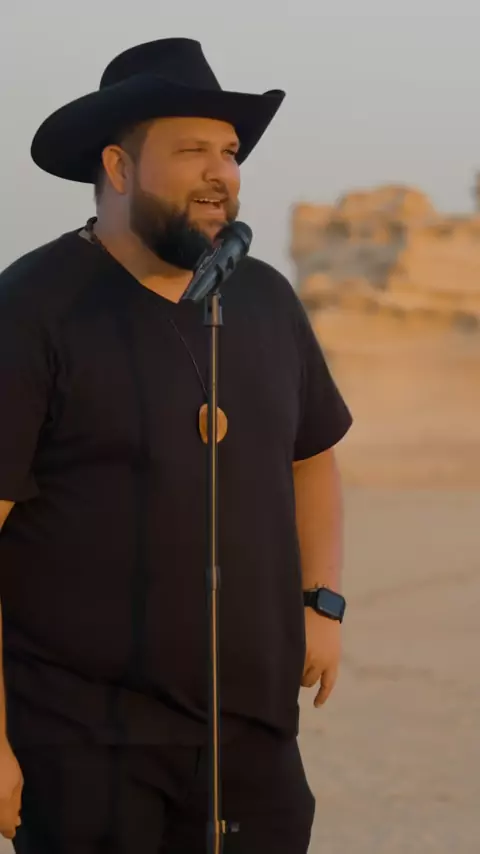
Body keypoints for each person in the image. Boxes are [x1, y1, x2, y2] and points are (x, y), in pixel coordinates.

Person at [0, 38, 352, 853]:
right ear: (118, 167)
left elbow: (312, 457)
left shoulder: (265, 298)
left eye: (229, 152)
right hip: (84, 746)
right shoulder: (29, 309)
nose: (220, 173)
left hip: (253, 738)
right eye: (192, 151)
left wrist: (323, 602)